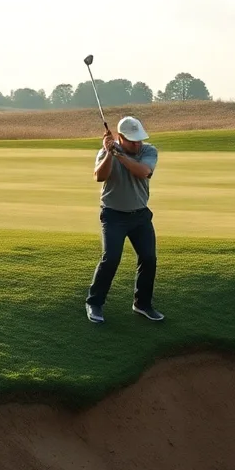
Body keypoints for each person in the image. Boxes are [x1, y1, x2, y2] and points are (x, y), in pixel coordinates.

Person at [85, 116, 163, 323]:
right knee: (111, 259)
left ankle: (142, 304)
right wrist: (110, 154)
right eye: (132, 140)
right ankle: (94, 303)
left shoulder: (148, 151)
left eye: (139, 139)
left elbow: (144, 172)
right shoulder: (105, 153)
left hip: (140, 216)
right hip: (113, 215)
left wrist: (119, 154)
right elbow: (99, 177)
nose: (137, 144)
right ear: (120, 137)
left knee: (149, 259)